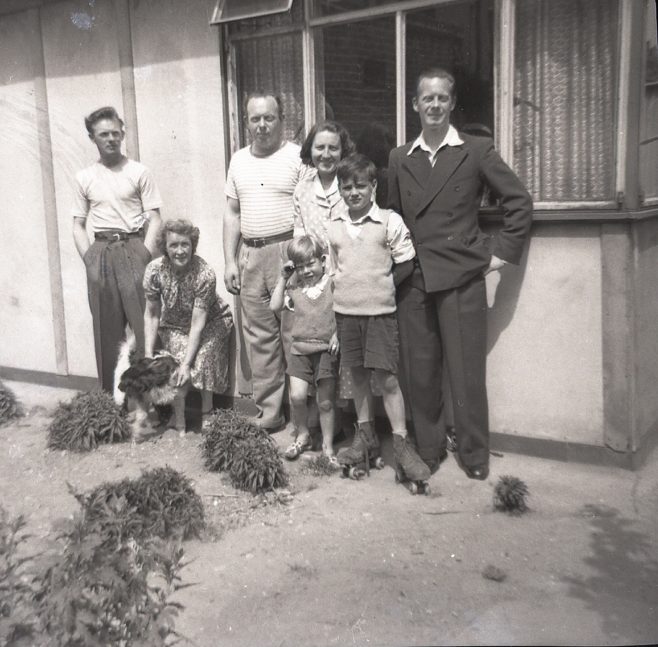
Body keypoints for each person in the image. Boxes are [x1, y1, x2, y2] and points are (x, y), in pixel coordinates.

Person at [388, 67, 533, 480]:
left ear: (452, 104)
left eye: (442, 98)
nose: (434, 105)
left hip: (462, 276)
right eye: (426, 98)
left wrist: (499, 256)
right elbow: (395, 218)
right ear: (415, 105)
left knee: (467, 373)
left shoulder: (475, 149)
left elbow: (519, 202)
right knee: (420, 371)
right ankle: (429, 450)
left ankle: (474, 455)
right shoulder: (400, 157)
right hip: (414, 279)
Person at [327, 153, 430, 483]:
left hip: (380, 315)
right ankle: (365, 435)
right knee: (357, 377)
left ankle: (400, 443)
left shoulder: (389, 220)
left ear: (373, 186)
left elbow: (405, 263)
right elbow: (333, 270)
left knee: (386, 379)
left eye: (360, 186)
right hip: (346, 314)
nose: (353, 192)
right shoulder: (335, 225)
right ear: (340, 190)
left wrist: (382, 285)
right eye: (346, 187)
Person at [223, 91, 308, 431]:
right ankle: (271, 413)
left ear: (281, 120)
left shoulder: (297, 156)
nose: (262, 125)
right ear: (247, 122)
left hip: (288, 252)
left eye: (269, 118)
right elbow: (231, 213)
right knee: (260, 338)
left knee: (296, 334)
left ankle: (305, 415)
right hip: (251, 255)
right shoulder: (238, 160)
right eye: (255, 119)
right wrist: (229, 260)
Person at [72, 106, 162, 393]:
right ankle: (112, 399)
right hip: (101, 251)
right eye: (103, 134)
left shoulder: (138, 171)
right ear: (92, 138)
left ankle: (153, 397)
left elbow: (156, 217)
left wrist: (144, 254)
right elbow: (77, 224)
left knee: (144, 325)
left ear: (122, 133)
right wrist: (89, 259)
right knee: (106, 329)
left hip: (134, 246)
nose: (110, 139)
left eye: (115, 133)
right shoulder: (84, 177)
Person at [143, 219, 233, 431]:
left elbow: (197, 323)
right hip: (174, 324)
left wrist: (186, 364)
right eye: (174, 245)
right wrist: (147, 353)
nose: (180, 251)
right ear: (165, 247)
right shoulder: (154, 271)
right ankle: (178, 412)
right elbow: (152, 313)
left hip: (212, 321)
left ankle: (208, 411)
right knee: (176, 362)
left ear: (193, 245)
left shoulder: (204, 273)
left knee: (201, 359)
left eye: (185, 244)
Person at [270, 236, 339, 465]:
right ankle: (303, 434)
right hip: (299, 350)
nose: (306, 271)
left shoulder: (331, 283)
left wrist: (337, 335)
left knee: (325, 402)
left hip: (325, 350)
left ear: (322, 261)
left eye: (311, 264)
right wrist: (283, 276)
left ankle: (328, 447)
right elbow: (275, 306)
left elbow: (341, 311)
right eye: (300, 266)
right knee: (297, 396)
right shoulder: (295, 287)